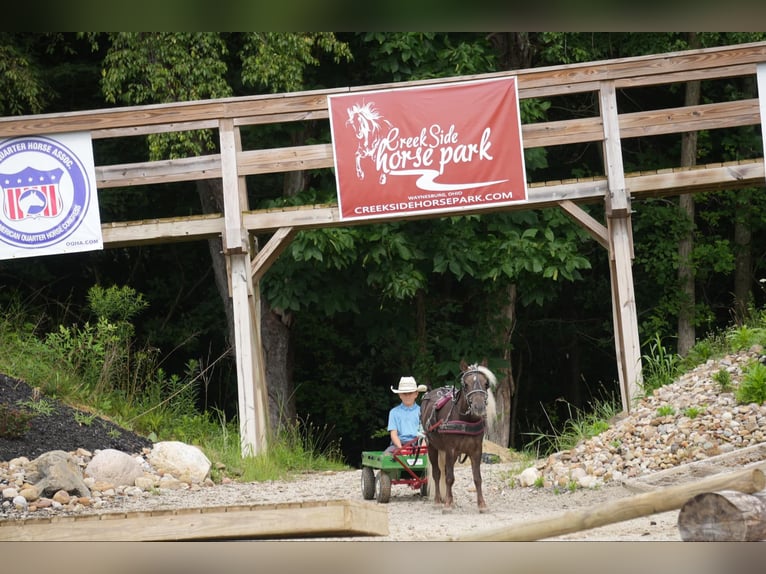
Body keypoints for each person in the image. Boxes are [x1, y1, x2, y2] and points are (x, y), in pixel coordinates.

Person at [384, 376, 427, 453]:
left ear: (416, 394)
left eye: (410, 393)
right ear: (400, 395)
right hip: (398, 444)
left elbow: (425, 433)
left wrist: (422, 449)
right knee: (386, 458)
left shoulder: (422, 411)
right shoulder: (394, 412)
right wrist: (401, 449)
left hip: (418, 444)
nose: (407, 396)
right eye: (404, 394)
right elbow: (393, 434)